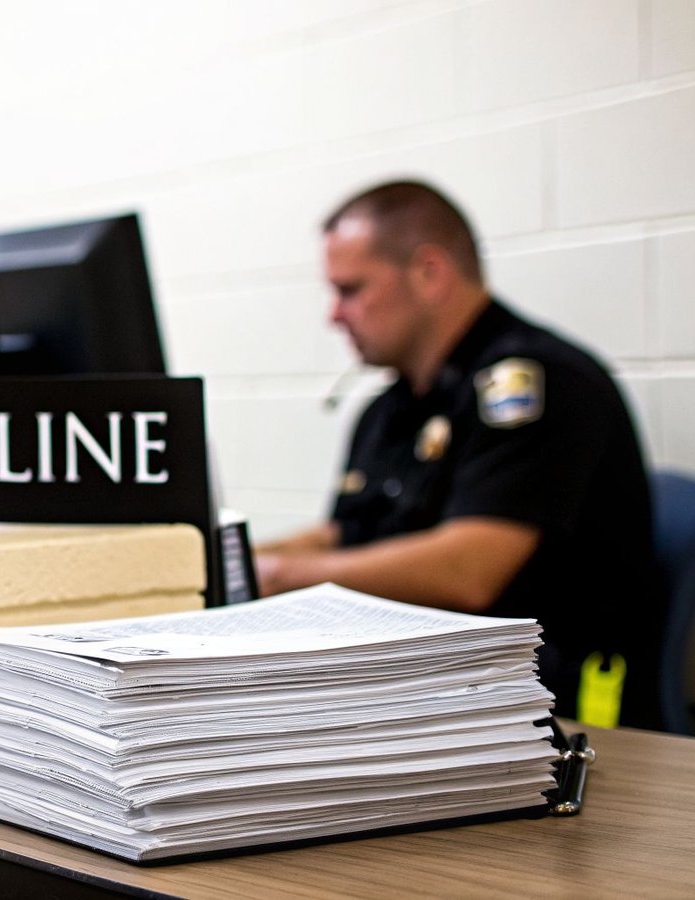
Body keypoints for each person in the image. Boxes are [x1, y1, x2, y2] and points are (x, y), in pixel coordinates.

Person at [256, 180, 663, 728]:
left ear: (429, 273)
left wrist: (280, 575)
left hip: (557, 713)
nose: (334, 314)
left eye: (351, 290)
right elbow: (346, 532)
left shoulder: (533, 386)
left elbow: (468, 571)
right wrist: (220, 556)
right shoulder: (392, 407)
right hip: (441, 698)